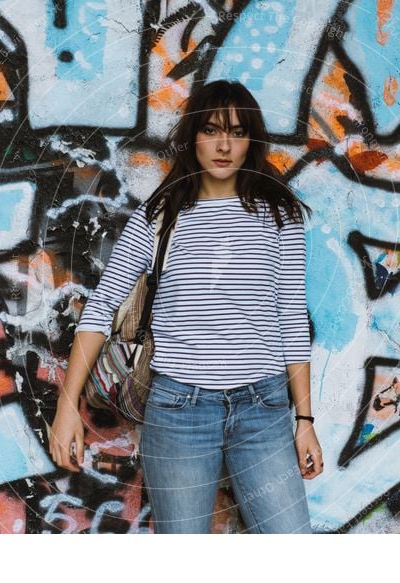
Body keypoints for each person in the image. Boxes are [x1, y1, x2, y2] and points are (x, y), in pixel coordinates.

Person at [48, 79, 323, 534]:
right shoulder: (159, 217)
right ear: (192, 136)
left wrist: (305, 420)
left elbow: (291, 317)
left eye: (236, 132)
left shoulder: (279, 214)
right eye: (211, 130)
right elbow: (100, 308)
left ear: (250, 140)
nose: (223, 145)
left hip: (263, 408)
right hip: (180, 412)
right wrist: (67, 405)